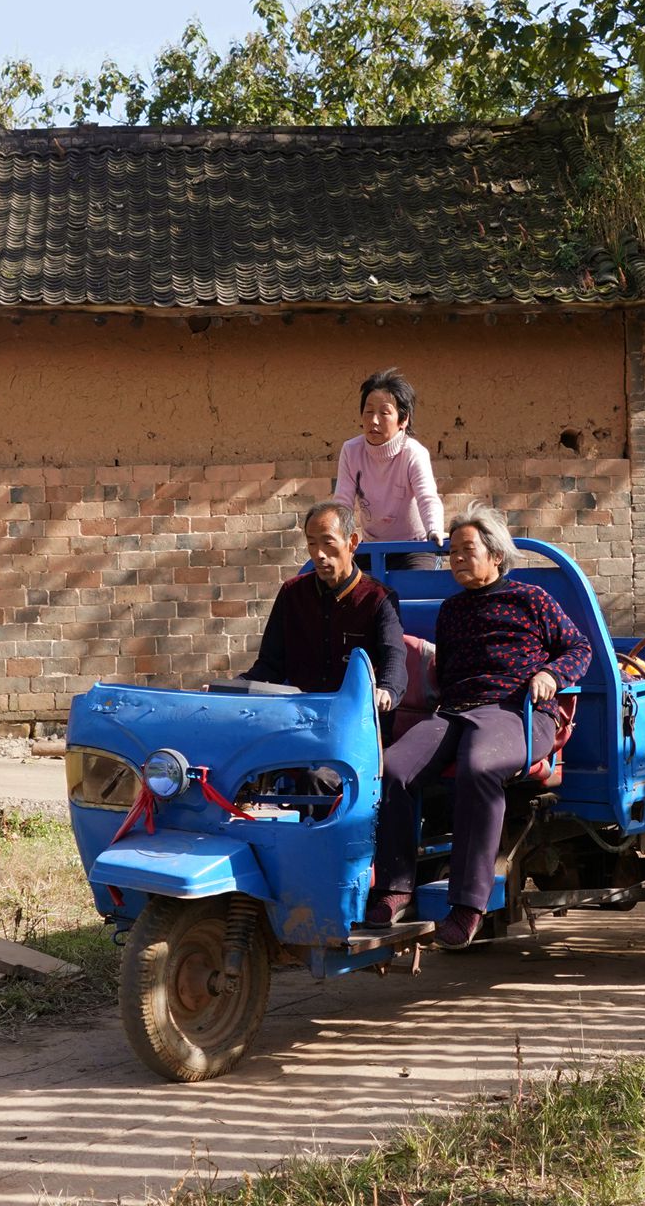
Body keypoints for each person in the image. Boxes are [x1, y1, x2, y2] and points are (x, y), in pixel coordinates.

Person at [368, 503, 592, 948]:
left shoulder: (532, 599)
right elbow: (448, 671)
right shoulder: (452, 611)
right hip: (455, 712)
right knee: (391, 769)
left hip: (517, 712)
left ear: (495, 555)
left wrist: (550, 675)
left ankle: (469, 905)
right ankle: (395, 887)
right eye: (451, 552)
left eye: (467, 550)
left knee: (478, 767)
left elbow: (578, 649)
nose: (456, 559)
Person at [245, 500, 408, 713]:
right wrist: (228, 689)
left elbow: (393, 656)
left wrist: (387, 689)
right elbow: (269, 666)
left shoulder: (379, 599)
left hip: (357, 717)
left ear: (352, 542)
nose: (319, 554)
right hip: (300, 714)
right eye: (312, 543)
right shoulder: (291, 594)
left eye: (327, 542)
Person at [334, 367, 445, 545]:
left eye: (384, 413)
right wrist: (339, 536)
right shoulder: (351, 451)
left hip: (414, 545)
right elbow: (342, 502)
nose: (374, 420)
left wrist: (434, 530)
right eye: (369, 412)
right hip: (371, 546)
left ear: (403, 420)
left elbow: (427, 497)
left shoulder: (413, 453)